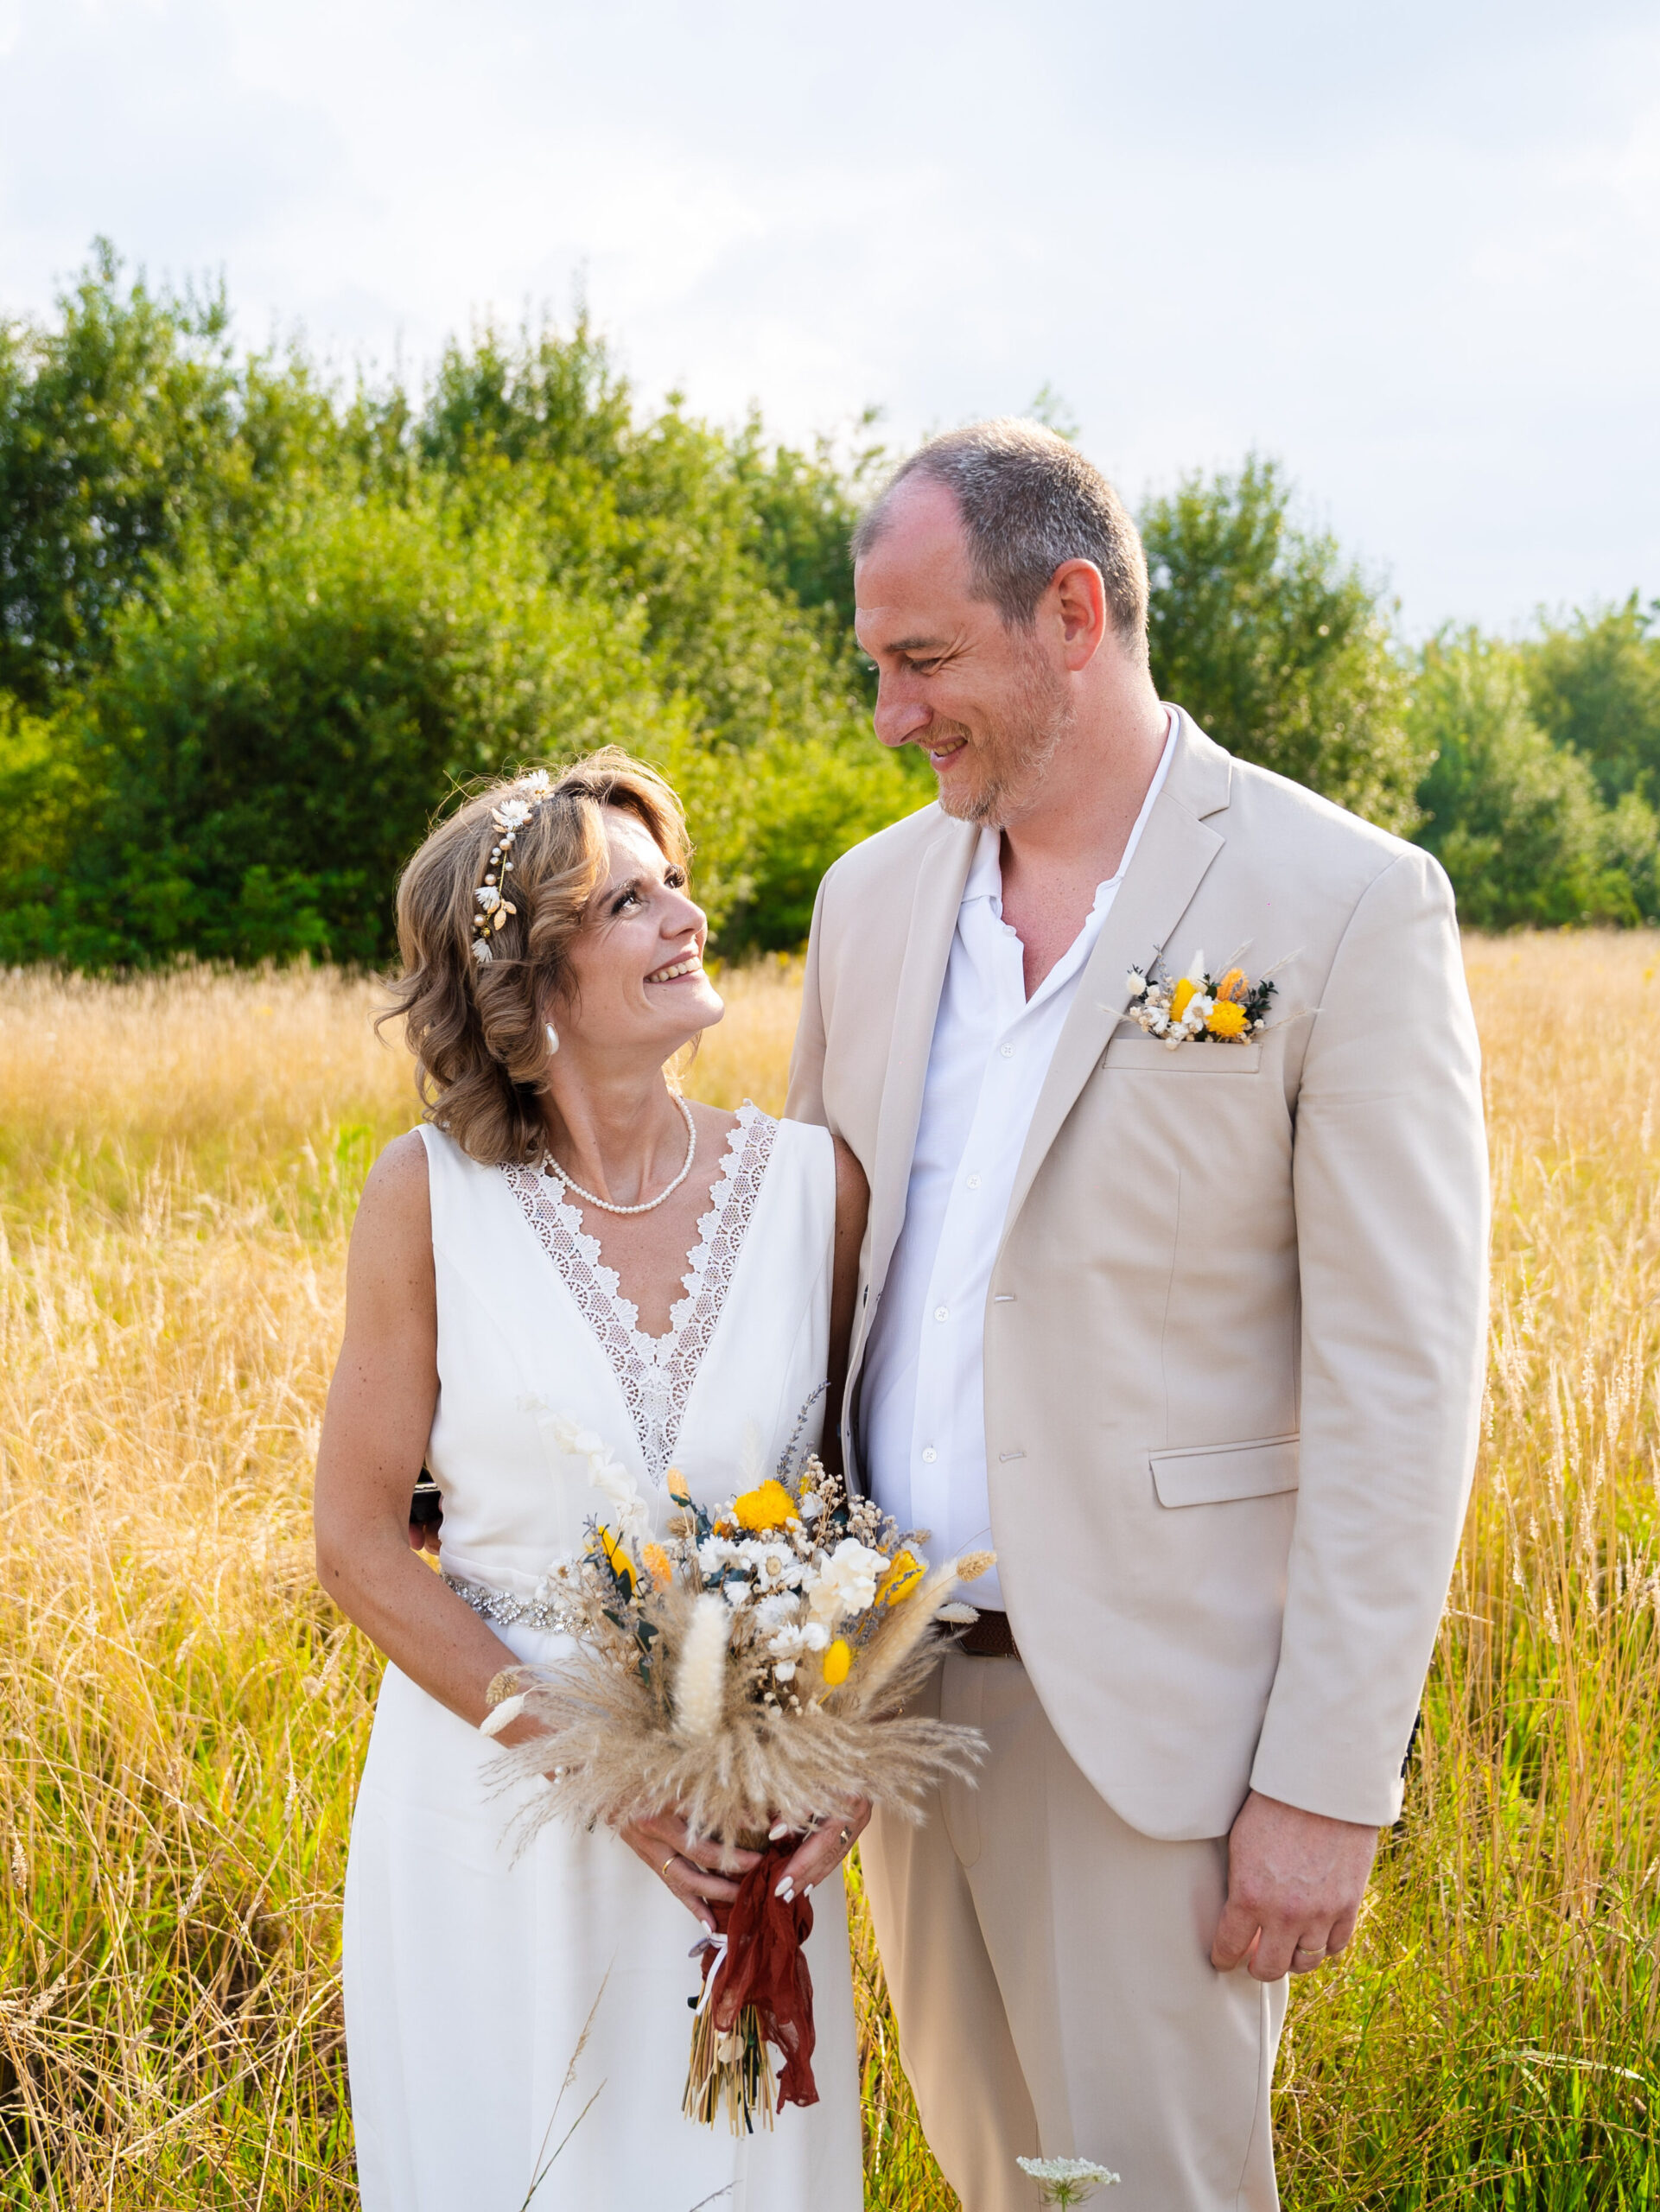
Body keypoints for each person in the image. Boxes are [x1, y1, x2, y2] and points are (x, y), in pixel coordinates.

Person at [785, 422, 1489, 2210]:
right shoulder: (867, 902)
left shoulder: (1342, 902)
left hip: (1155, 1740)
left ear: (1072, 614)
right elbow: (813, 1289)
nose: (890, 715)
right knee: (995, 2185)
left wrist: (1326, 1782)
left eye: (923, 659)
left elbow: (1400, 1382)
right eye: (876, 665)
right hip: (894, 1708)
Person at [314, 749, 868, 2212]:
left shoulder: (814, 1189)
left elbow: (856, 1514)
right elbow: (357, 1544)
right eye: (630, 902)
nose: (687, 916)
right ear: (527, 978)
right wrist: (594, 1764)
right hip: (495, 1816)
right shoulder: (426, 1196)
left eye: (674, 881)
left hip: (743, 1822)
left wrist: (846, 1756)